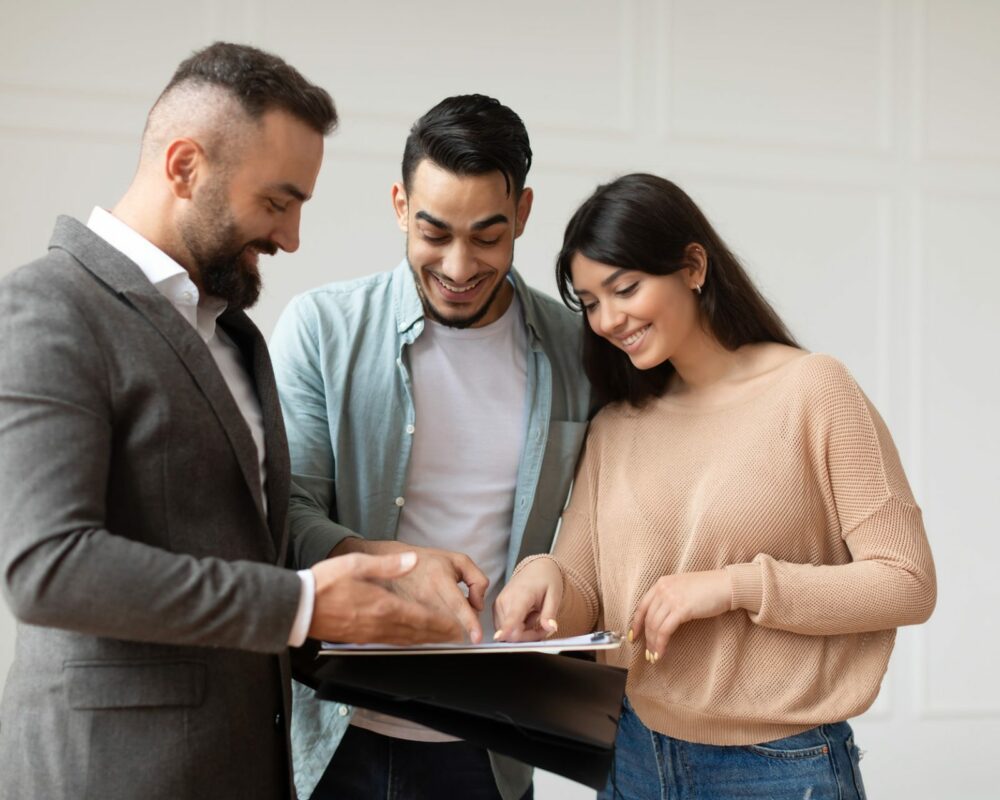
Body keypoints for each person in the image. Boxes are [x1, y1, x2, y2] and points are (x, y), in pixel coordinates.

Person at [0, 42, 462, 800]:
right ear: (184, 166)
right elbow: (48, 568)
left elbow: (237, 539)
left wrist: (390, 569)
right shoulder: (47, 307)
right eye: (278, 202)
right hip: (110, 775)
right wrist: (303, 604)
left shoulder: (236, 335)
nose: (291, 238)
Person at [494, 173, 937, 799]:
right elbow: (586, 593)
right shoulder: (617, 424)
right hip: (634, 756)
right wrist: (544, 581)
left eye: (625, 289)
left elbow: (908, 582)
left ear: (693, 266)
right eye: (590, 302)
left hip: (780, 768)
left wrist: (734, 586)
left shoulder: (813, 392)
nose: (608, 319)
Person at [269, 94, 591, 800]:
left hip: (495, 748)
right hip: (337, 736)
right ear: (398, 205)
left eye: (487, 236)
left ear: (525, 214)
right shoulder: (321, 328)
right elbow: (281, 516)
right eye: (433, 231)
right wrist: (394, 564)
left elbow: (606, 520)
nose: (458, 264)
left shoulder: (576, 350)